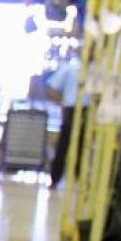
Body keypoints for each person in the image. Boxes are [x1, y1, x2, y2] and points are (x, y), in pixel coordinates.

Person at [45, 54, 80, 188]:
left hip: (88, 110)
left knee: (81, 147)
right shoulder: (70, 68)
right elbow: (51, 89)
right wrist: (63, 102)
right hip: (71, 109)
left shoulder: (96, 70)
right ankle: (55, 179)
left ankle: (77, 179)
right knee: (64, 145)